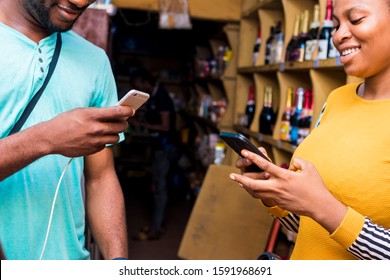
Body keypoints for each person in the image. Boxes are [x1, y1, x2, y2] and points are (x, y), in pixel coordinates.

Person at [229, 0, 390, 260]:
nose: (338, 35)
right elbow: (310, 228)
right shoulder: (337, 98)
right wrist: (275, 194)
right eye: (336, 24)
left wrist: (321, 205)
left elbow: (324, 212)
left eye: (356, 19)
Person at [0, 0, 134, 260]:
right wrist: (46, 139)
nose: (81, 1)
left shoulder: (95, 61)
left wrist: (119, 263)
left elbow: (101, 177)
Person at [129, 68, 179, 241]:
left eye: (138, 87)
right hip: (158, 147)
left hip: (165, 149)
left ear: (146, 82)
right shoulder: (153, 97)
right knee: (156, 186)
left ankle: (157, 227)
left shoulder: (162, 98)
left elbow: (165, 127)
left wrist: (143, 127)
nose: (139, 91)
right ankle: (158, 224)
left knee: (160, 188)